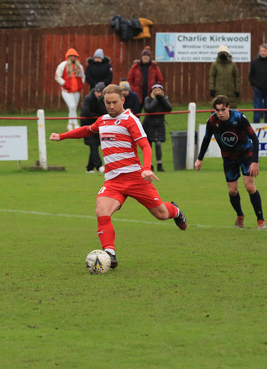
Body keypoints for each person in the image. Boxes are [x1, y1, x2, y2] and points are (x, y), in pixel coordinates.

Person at [49, 83, 188, 269]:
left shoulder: (130, 120)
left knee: (161, 214)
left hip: (136, 178)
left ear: (122, 100)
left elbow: (145, 146)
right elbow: (87, 130)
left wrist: (147, 168)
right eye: (108, 103)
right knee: (101, 210)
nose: (111, 106)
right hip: (113, 181)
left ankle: (175, 211)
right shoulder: (103, 120)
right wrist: (62, 136)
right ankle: (110, 254)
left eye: (115, 102)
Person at [194, 95, 266, 229]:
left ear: (228, 108)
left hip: (246, 155)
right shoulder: (212, 121)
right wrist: (199, 159)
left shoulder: (239, 118)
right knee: (232, 191)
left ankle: (260, 220)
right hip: (228, 158)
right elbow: (206, 139)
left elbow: (254, 139)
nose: (220, 113)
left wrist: (255, 161)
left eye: (223, 109)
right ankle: (240, 216)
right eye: (217, 110)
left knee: (249, 187)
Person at [142, 83, 172, 172]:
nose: (157, 92)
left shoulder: (164, 98)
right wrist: (156, 100)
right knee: (149, 145)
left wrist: (162, 99)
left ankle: (159, 164)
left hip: (159, 123)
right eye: (155, 91)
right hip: (149, 123)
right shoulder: (148, 99)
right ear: (152, 92)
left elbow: (169, 108)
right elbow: (149, 109)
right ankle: (149, 165)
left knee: (158, 144)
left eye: (159, 90)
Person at [80, 82, 107, 173]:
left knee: (95, 145)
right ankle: (99, 166)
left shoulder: (103, 101)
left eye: (101, 93)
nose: (99, 94)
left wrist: (101, 102)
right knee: (93, 145)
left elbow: (104, 112)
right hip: (87, 126)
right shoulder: (88, 99)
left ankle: (90, 168)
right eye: (97, 92)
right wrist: (98, 117)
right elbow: (86, 112)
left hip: (97, 126)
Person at [55, 48, 84, 130]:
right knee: (72, 106)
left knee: (73, 108)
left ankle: (70, 124)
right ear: (67, 57)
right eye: (71, 56)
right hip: (66, 90)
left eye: (74, 56)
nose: (73, 57)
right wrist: (64, 83)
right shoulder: (62, 65)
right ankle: (76, 124)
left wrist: (81, 84)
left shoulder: (79, 66)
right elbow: (57, 76)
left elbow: (83, 76)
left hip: (77, 91)